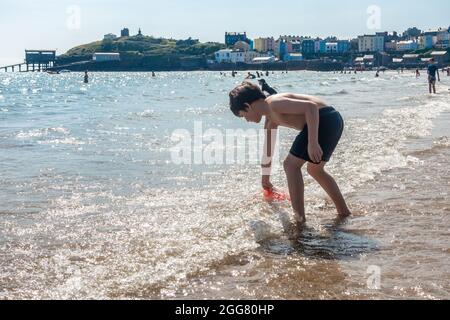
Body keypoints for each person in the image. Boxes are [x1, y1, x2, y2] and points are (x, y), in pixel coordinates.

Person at [229, 82, 351, 226]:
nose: (246, 120)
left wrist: (312, 142)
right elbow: (267, 151)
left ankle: (300, 220)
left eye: (243, 116)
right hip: (332, 120)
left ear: (247, 106)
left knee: (290, 165)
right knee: (315, 170)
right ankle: (344, 212)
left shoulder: (273, 103)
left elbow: (310, 107)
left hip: (325, 118)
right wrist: (265, 180)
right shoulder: (270, 120)